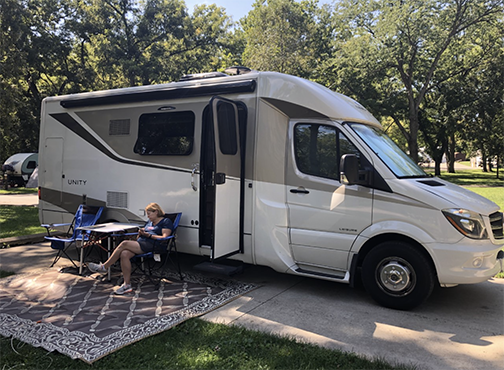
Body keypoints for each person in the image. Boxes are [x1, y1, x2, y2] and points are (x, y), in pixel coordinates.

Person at [88, 203, 173, 294]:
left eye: (149, 214)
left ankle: (104, 266)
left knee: (124, 243)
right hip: (142, 243)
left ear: (156, 211)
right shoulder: (149, 222)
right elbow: (140, 237)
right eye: (147, 214)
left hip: (154, 245)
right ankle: (127, 285)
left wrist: (149, 235)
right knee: (124, 253)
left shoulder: (165, 221)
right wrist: (140, 233)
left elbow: (164, 238)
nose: (148, 216)